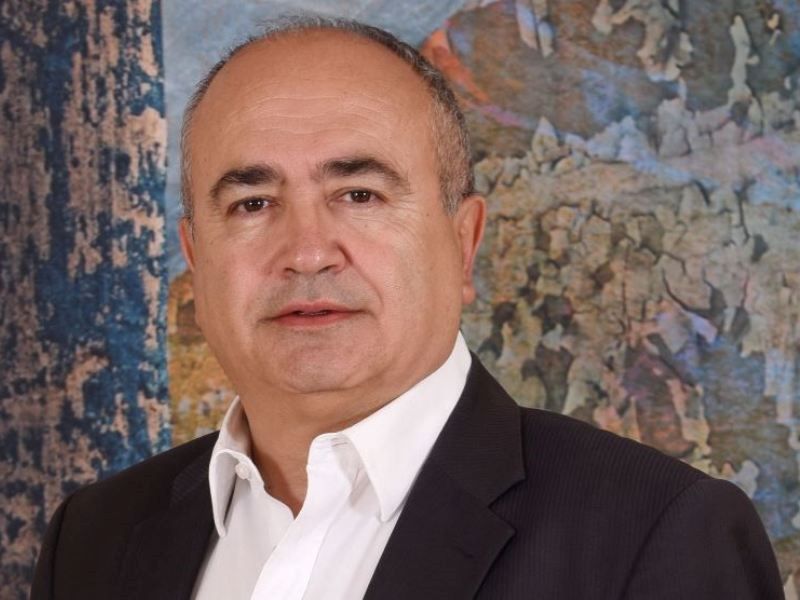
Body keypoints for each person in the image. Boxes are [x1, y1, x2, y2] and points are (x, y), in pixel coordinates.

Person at [31, 15, 783, 600]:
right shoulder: (92, 542)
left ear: (463, 242)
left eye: (359, 194)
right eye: (253, 203)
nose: (308, 251)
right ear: (196, 260)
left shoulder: (655, 533)